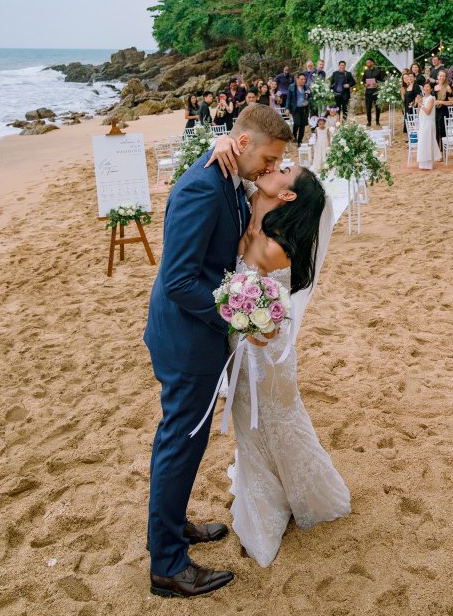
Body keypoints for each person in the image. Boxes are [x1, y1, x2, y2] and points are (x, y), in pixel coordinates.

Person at [143, 105, 293, 599]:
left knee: (188, 440)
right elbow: (179, 280)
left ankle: (173, 525)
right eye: (268, 159)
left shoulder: (230, 174)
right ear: (245, 144)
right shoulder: (201, 187)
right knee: (179, 441)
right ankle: (166, 564)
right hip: (185, 342)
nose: (271, 169)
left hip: (199, 338)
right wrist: (240, 317)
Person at [225, 162, 350, 566]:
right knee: (255, 425)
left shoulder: (276, 245)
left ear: (288, 195)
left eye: (283, 170)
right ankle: (272, 493)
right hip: (247, 345)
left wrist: (246, 321)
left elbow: (247, 292)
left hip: (263, 352)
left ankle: (270, 509)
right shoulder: (258, 205)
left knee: (270, 421)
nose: (273, 168)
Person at [417, 82, 441, 170]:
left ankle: (428, 164)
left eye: (428, 87)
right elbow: (419, 113)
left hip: (428, 123)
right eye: (425, 87)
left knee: (428, 141)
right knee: (422, 142)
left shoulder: (431, 98)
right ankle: (422, 163)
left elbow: (428, 111)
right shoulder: (422, 98)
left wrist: (420, 104)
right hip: (422, 122)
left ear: (431, 89)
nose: (426, 88)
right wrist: (418, 104)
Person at [286, 73, 310, 146]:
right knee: (297, 123)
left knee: (302, 125)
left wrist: (308, 101)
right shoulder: (292, 87)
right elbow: (288, 98)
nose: (303, 81)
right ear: (297, 79)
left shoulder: (306, 87)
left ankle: (300, 141)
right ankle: (294, 136)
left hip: (304, 109)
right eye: (302, 79)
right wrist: (287, 108)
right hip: (295, 108)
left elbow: (310, 96)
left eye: (304, 79)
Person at [361, 57, 384, 128]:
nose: (367, 64)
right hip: (368, 92)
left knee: (377, 107)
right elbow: (363, 81)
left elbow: (383, 81)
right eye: (366, 62)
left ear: (372, 63)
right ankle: (369, 122)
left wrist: (378, 84)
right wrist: (364, 84)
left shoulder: (378, 71)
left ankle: (377, 121)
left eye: (368, 62)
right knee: (368, 107)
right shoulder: (365, 72)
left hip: (377, 92)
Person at [432, 69, 453, 145]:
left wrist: (440, 102)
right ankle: (437, 151)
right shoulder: (435, 87)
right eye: (440, 76)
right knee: (436, 131)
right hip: (435, 112)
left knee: (443, 131)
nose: (442, 77)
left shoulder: (448, 88)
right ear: (437, 77)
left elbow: (451, 102)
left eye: (443, 76)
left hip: (444, 112)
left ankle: (444, 151)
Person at [401, 71, 418, 138]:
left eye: (411, 76)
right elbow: (404, 99)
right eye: (408, 77)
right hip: (407, 107)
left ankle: (414, 138)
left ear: (414, 78)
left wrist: (413, 104)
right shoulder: (407, 86)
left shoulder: (415, 86)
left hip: (412, 107)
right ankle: (411, 138)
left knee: (413, 122)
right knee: (408, 122)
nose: (409, 78)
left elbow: (417, 96)